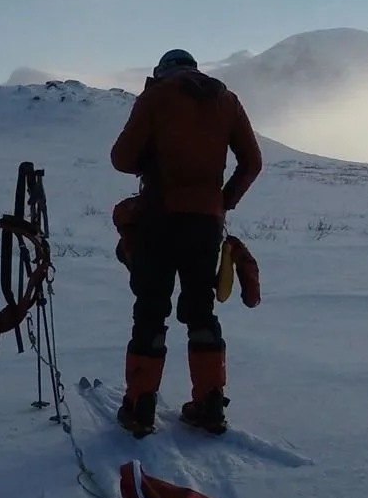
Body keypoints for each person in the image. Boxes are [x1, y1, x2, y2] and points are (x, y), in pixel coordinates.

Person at [110, 49, 262, 435]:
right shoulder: (226, 100)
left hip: (158, 217)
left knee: (151, 310)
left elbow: (121, 158)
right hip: (205, 224)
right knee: (200, 310)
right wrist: (222, 202)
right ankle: (210, 403)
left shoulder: (156, 96)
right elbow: (252, 162)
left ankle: (140, 405)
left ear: (162, 71)